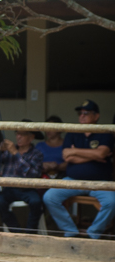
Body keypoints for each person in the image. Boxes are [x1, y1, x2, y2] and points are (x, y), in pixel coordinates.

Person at [43, 100, 115, 239]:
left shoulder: (105, 132)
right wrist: (94, 155)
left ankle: (93, 233)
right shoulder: (73, 132)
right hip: (73, 180)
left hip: (99, 181)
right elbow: (67, 156)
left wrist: (76, 152)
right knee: (49, 197)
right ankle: (71, 231)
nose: (82, 116)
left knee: (112, 202)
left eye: (86, 113)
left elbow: (101, 153)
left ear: (96, 116)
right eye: (80, 113)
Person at [0, 124, 45, 234]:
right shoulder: (8, 151)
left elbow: (32, 173)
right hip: (9, 188)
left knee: (36, 202)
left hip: (27, 188)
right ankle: (16, 232)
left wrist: (16, 154)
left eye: (22, 134)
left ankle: (30, 234)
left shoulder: (36, 154)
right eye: (17, 133)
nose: (18, 137)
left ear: (31, 137)